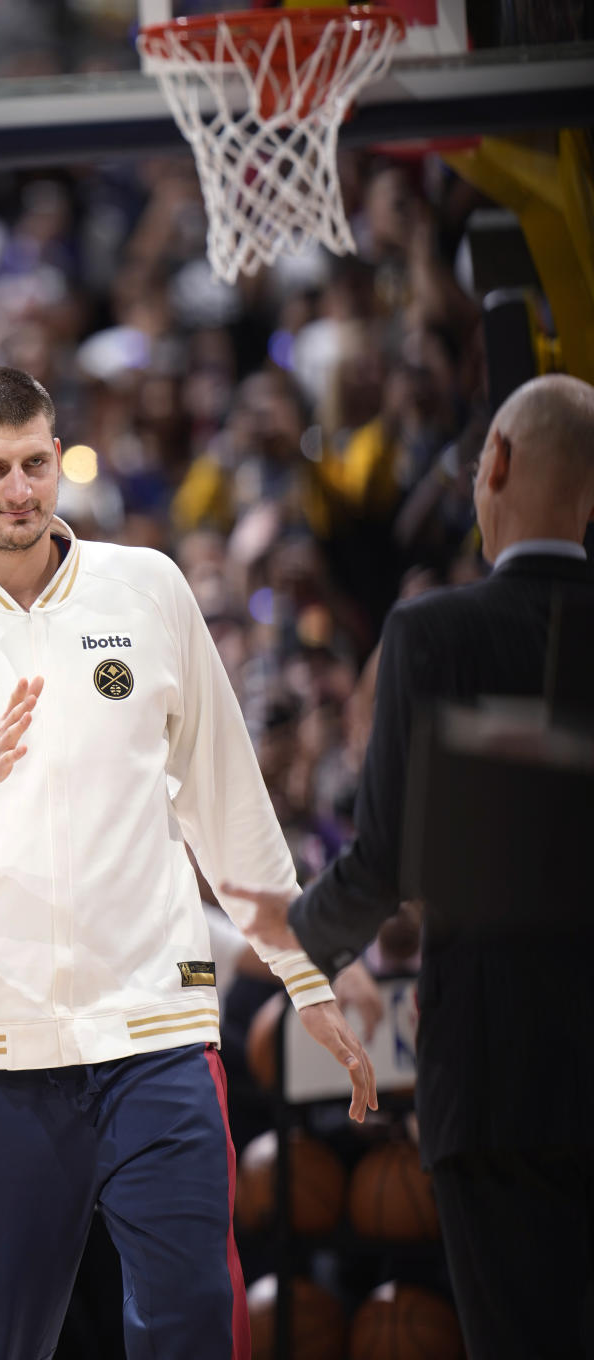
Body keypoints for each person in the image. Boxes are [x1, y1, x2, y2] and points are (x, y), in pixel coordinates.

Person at [0, 364, 377, 1360]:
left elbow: (225, 799)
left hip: (152, 1026)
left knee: (199, 1329)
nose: (22, 488)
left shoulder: (148, 587)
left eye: (37, 460)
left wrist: (308, 971)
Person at [223, 372, 594, 1359]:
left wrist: (291, 937)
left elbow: (385, 861)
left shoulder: (431, 635)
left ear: (499, 467)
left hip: (497, 1073)